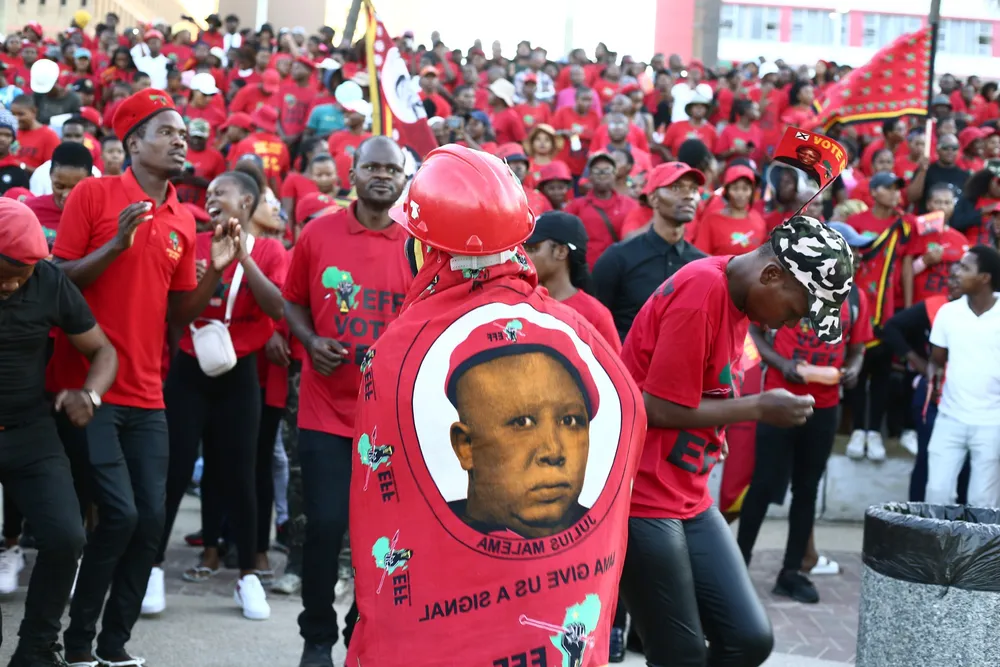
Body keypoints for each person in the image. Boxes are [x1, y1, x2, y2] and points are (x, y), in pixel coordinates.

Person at [347, 142, 644, 667]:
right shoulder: (581, 332)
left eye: (570, 420)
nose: (553, 450)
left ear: (425, 248)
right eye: (522, 422)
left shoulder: (397, 351)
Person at [50, 89, 243, 667]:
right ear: (133, 143)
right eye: (167, 132)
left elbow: (177, 314)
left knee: (151, 522)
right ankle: (78, 643)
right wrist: (116, 244)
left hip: (147, 392)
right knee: (121, 515)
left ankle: (113, 647)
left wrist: (217, 273)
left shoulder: (184, 217)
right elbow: (58, 282)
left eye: (184, 134)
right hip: (89, 389)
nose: (181, 142)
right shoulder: (92, 194)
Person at [619, 215, 855, 667]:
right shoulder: (702, 293)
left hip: (687, 491)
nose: (788, 324)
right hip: (643, 495)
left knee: (749, 639)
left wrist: (715, 429)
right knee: (680, 655)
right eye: (796, 310)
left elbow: (702, 389)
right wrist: (757, 407)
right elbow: (656, 407)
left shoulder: (737, 294)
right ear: (772, 274)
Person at [283, 136, 412, 667]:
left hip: (392, 421)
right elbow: (292, 301)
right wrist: (311, 340)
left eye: (392, 169)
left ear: (404, 178)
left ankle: (363, 632)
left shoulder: (419, 246)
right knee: (326, 525)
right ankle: (317, 636)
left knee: (379, 537)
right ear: (352, 172)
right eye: (372, 167)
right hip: (326, 412)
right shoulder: (318, 234)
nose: (382, 176)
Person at [142, 170, 288, 620]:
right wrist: (212, 274)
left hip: (240, 373)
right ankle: (151, 567)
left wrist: (243, 257)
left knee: (240, 474)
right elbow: (179, 315)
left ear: (246, 202)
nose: (210, 197)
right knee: (173, 470)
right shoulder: (193, 242)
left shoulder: (270, 250)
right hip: (190, 368)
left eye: (220, 192)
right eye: (207, 193)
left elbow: (276, 307)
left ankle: (247, 576)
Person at [0, 199, 117, 667]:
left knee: (67, 536)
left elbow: (103, 351)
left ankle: (36, 649)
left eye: (21, 276)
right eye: (4, 275)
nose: (12, 284)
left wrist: (90, 396)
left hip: (29, 430)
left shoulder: (49, 281)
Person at [736, 221, 872, 605]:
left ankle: (791, 571)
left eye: (858, 251)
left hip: (824, 407)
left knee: (807, 490)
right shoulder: (796, 284)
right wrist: (783, 363)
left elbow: (859, 346)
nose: (856, 257)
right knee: (763, 486)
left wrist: (854, 368)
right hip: (779, 400)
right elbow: (755, 333)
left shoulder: (855, 297)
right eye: (849, 249)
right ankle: (738, 565)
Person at [592, 162, 707, 341]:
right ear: (653, 198)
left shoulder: (701, 265)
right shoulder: (617, 258)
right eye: (676, 188)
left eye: (693, 189)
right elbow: (594, 324)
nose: (688, 196)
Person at [924, 245, 1000, 507]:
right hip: (950, 417)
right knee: (937, 494)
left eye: (965, 268)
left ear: (984, 278)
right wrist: (933, 379)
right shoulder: (948, 313)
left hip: (992, 422)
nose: (956, 272)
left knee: (983, 503)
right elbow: (936, 360)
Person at [523, 210, 621, 350]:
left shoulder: (595, 315)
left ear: (561, 252)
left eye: (532, 249)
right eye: (523, 248)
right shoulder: (521, 302)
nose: (524, 255)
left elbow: (611, 363)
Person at [565, 152, 638, 268]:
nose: (602, 175)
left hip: (620, 268)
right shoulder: (576, 206)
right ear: (590, 176)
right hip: (587, 268)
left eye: (607, 170)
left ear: (614, 174)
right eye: (597, 171)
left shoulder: (630, 205)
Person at [25, 142, 94, 244]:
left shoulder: (99, 214)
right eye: (59, 187)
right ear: (50, 175)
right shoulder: (29, 210)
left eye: (76, 188)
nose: (66, 194)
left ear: (91, 179)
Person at [29, 118, 102, 195]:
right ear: (61, 138)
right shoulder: (41, 172)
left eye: (77, 136)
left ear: (84, 139)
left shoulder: (96, 172)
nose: (73, 140)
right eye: (68, 135)